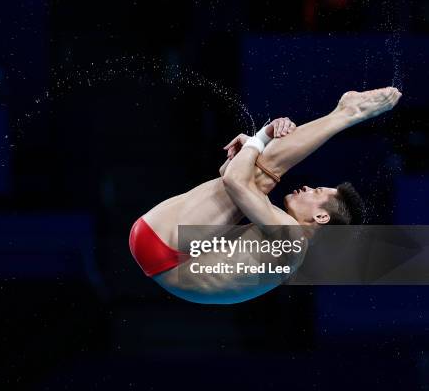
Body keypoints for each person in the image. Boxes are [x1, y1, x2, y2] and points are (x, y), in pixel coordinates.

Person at [129, 87, 402, 304]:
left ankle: (347, 114)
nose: (307, 187)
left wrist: (262, 137)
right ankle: (343, 113)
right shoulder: (287, 245)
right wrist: (253, 147)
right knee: (257, 176)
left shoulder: (293, 241)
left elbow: (236, 181)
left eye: (316, 191)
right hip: (164, 252)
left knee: (261, 176)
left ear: (321, 216)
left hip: (165, 250)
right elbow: (229, 175)